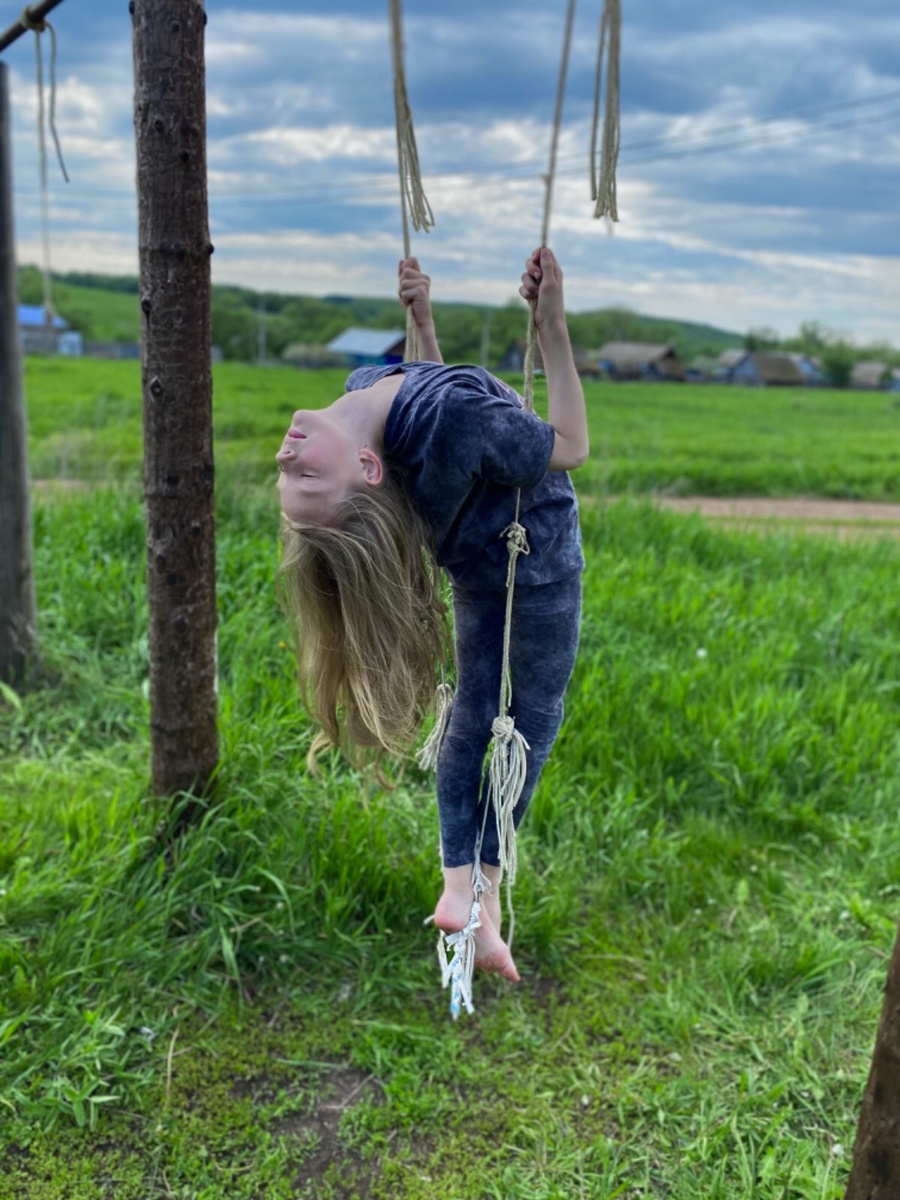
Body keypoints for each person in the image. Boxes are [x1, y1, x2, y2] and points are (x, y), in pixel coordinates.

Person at [277, 248, 587, 983]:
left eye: (288, 473)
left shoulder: (371, 389)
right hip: (534, 573)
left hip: (489, 566)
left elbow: (444, 414)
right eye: (308, 476)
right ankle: (482, 883)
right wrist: (552, 328)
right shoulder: (427, 420)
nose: (288, 457)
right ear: (366, 470)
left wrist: (421, 322)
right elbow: (572, 446)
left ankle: (464, 886)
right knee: (529, 718)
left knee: (476, 716)